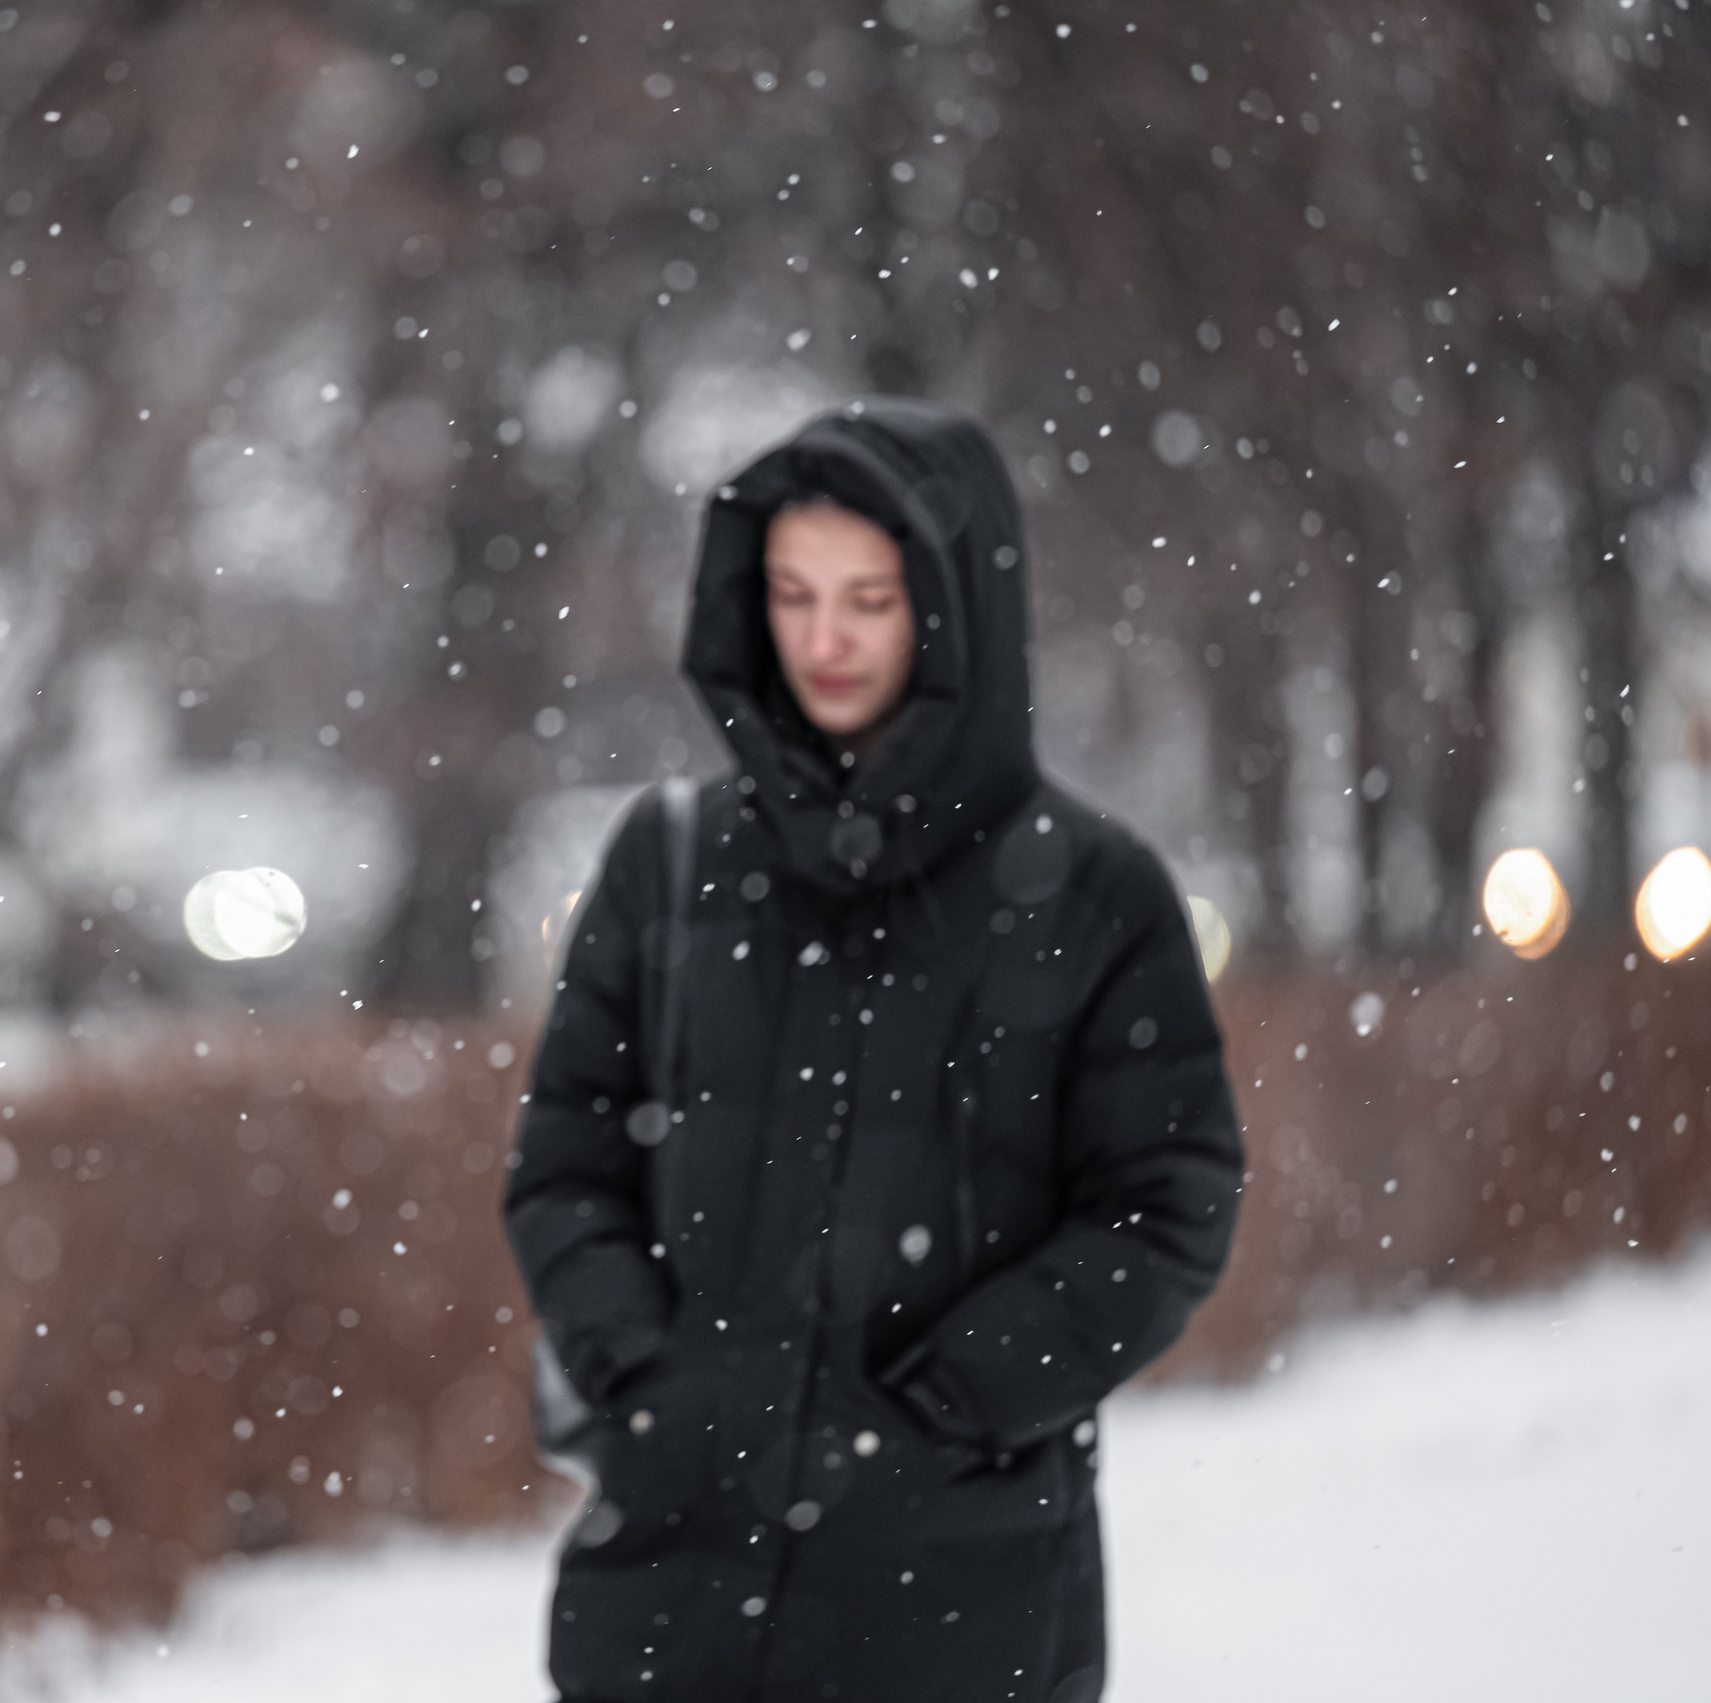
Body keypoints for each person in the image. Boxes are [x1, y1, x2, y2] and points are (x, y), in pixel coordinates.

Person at [503, 398, 1244, 1703]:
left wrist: (953, 1408)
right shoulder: (671, 862)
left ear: (954, 609)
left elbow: (1166, 1207)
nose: (824, 640)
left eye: (869, 600)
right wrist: (649, 1377)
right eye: (791, 595)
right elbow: (566, 1161)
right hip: (672, 1596)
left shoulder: (1090, 892)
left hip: (959, 1605)